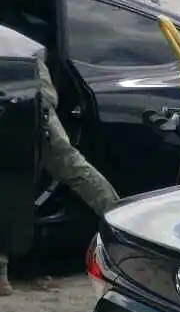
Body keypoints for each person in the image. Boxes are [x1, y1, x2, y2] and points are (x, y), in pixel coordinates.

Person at [0, 50, 119, 296]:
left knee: (58, 167)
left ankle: (121, 227)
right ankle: (121, 225)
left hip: (23, 91)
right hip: (26, 91)